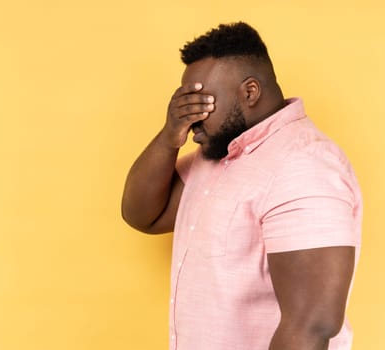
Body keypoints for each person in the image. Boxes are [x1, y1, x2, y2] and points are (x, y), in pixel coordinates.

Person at [121, 22, 362, 350]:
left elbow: (312, 325)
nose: (190, 115)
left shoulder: (304, 166)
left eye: (201, 101)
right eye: (184, 101)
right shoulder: (216, 156)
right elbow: (143, 215)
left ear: (250, 92)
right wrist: (169, 136)